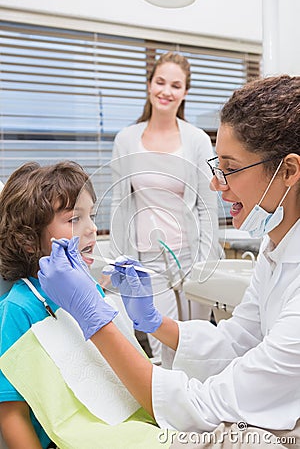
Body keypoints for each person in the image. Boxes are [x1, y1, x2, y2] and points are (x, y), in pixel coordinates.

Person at [38, 74, 300, 448]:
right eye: (217, 166)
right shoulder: (277, 249)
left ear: (288, 170)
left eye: (230, 168)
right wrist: (156, 322)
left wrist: (94, 318)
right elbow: (237, 340)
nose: (216, 184)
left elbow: (203, 407)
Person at [108, 51, 222, 357]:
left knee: (195, 345)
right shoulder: (126, 139)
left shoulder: (197, 139)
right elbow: (120, 204)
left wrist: (205, 263)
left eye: (175, 85)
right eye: (160, 82)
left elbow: (207, 207)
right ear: (149, 85)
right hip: (147, 260)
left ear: (185, 92)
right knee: (164, 346)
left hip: (191, 256)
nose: (166, 91)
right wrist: (122, 263)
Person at [0, 161, 102, 449]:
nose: (92, 228)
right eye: (74, 219)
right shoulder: (18, 310)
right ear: (29, 240)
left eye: (91, 216)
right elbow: (11, 414)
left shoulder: (91, 290)